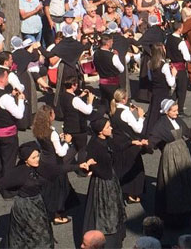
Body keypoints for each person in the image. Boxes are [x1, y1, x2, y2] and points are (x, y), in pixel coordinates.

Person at [0, 142, 76, 248]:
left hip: (37, 204)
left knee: (41, 233)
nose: (37, 159)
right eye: (33, 157)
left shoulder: (40, 166)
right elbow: (1, 183)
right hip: (24, 208)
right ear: (26, 159)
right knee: (27, 234)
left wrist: (78, 166)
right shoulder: (19, 173)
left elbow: (57, 169)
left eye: (38, 156)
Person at [147, 99, 191, 226]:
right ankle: (175, 216)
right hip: (171, 157)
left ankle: (188, 209)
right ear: (166, 111)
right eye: (174, 111)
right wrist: (145, 146)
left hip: (183, 154)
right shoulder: (160, 125)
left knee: (186, 182)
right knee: (174, 185)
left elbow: (188, 132)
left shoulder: (177, 120)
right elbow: (152, 141)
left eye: (177, 110)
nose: (176, 113)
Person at [81, 117, 127, 247]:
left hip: (111, 179)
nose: (111, 128)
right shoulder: (94, 145)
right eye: (108, 127)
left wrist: (132, 143)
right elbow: (88, 163)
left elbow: (117, 148)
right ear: (100, 131)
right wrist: (94, 170)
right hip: (102, 183)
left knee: (115, 209)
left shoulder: (106, 140)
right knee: (104, 212)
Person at [32, 105, 78, 225]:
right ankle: (57, 215)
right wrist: (67, 142)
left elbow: (41, 145)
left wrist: (59, 139)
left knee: (48, 189)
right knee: (58, 191)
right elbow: (61, 152)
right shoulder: (52, 133)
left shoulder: (37, 129)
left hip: (44, 162)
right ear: (50, 116)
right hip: (55, 164)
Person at [0, 67, 26, 198]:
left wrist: (11, 95)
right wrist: (20, 100)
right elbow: (19, 114)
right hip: (7, 134)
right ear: (2, 78)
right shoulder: (4, 98)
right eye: (7, 76)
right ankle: (7, 190)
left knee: (1, 157)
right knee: (9, 162)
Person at [109, 89, 148, 203]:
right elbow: (138, 128)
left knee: (121, 167)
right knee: (135, 169)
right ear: (124, 99)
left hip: (118, 143)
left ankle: (122, 190)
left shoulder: (113, 110)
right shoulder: (125, 113)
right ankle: (132, 194)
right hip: (130, 144)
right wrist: (140, 116)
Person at [166, 22, 191, 114]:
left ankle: (170, 105)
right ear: (180, 29)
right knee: (181, 89)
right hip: (180, 68)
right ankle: (180, 109)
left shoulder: (168, 38)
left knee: (174, 89)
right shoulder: (181, 42)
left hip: (171, 66)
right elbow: (187, 57)